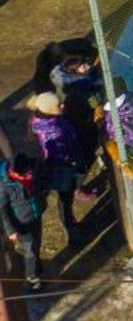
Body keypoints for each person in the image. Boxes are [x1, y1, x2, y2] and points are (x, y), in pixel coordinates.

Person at [29, 93, 83, 235]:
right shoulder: (53, 131)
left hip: (52, 167)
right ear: (48, 109)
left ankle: (69, 223)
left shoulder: (41, 121)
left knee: (62, 197)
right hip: (62, 166)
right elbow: (66, 149)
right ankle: (70, 227)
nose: (62, 105)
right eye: (58, 105)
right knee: (65, 198)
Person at [3, 152, 45, 290]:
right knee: (29, 249)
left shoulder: (30, 168)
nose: (30, 175)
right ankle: (32, 277)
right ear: (15, 174)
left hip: (35, 215)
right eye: (26, 174)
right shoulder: (4, 185)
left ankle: (37, 268)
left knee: (37, 243)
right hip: (21, 224)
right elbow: (2, 210)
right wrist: (10, 230)